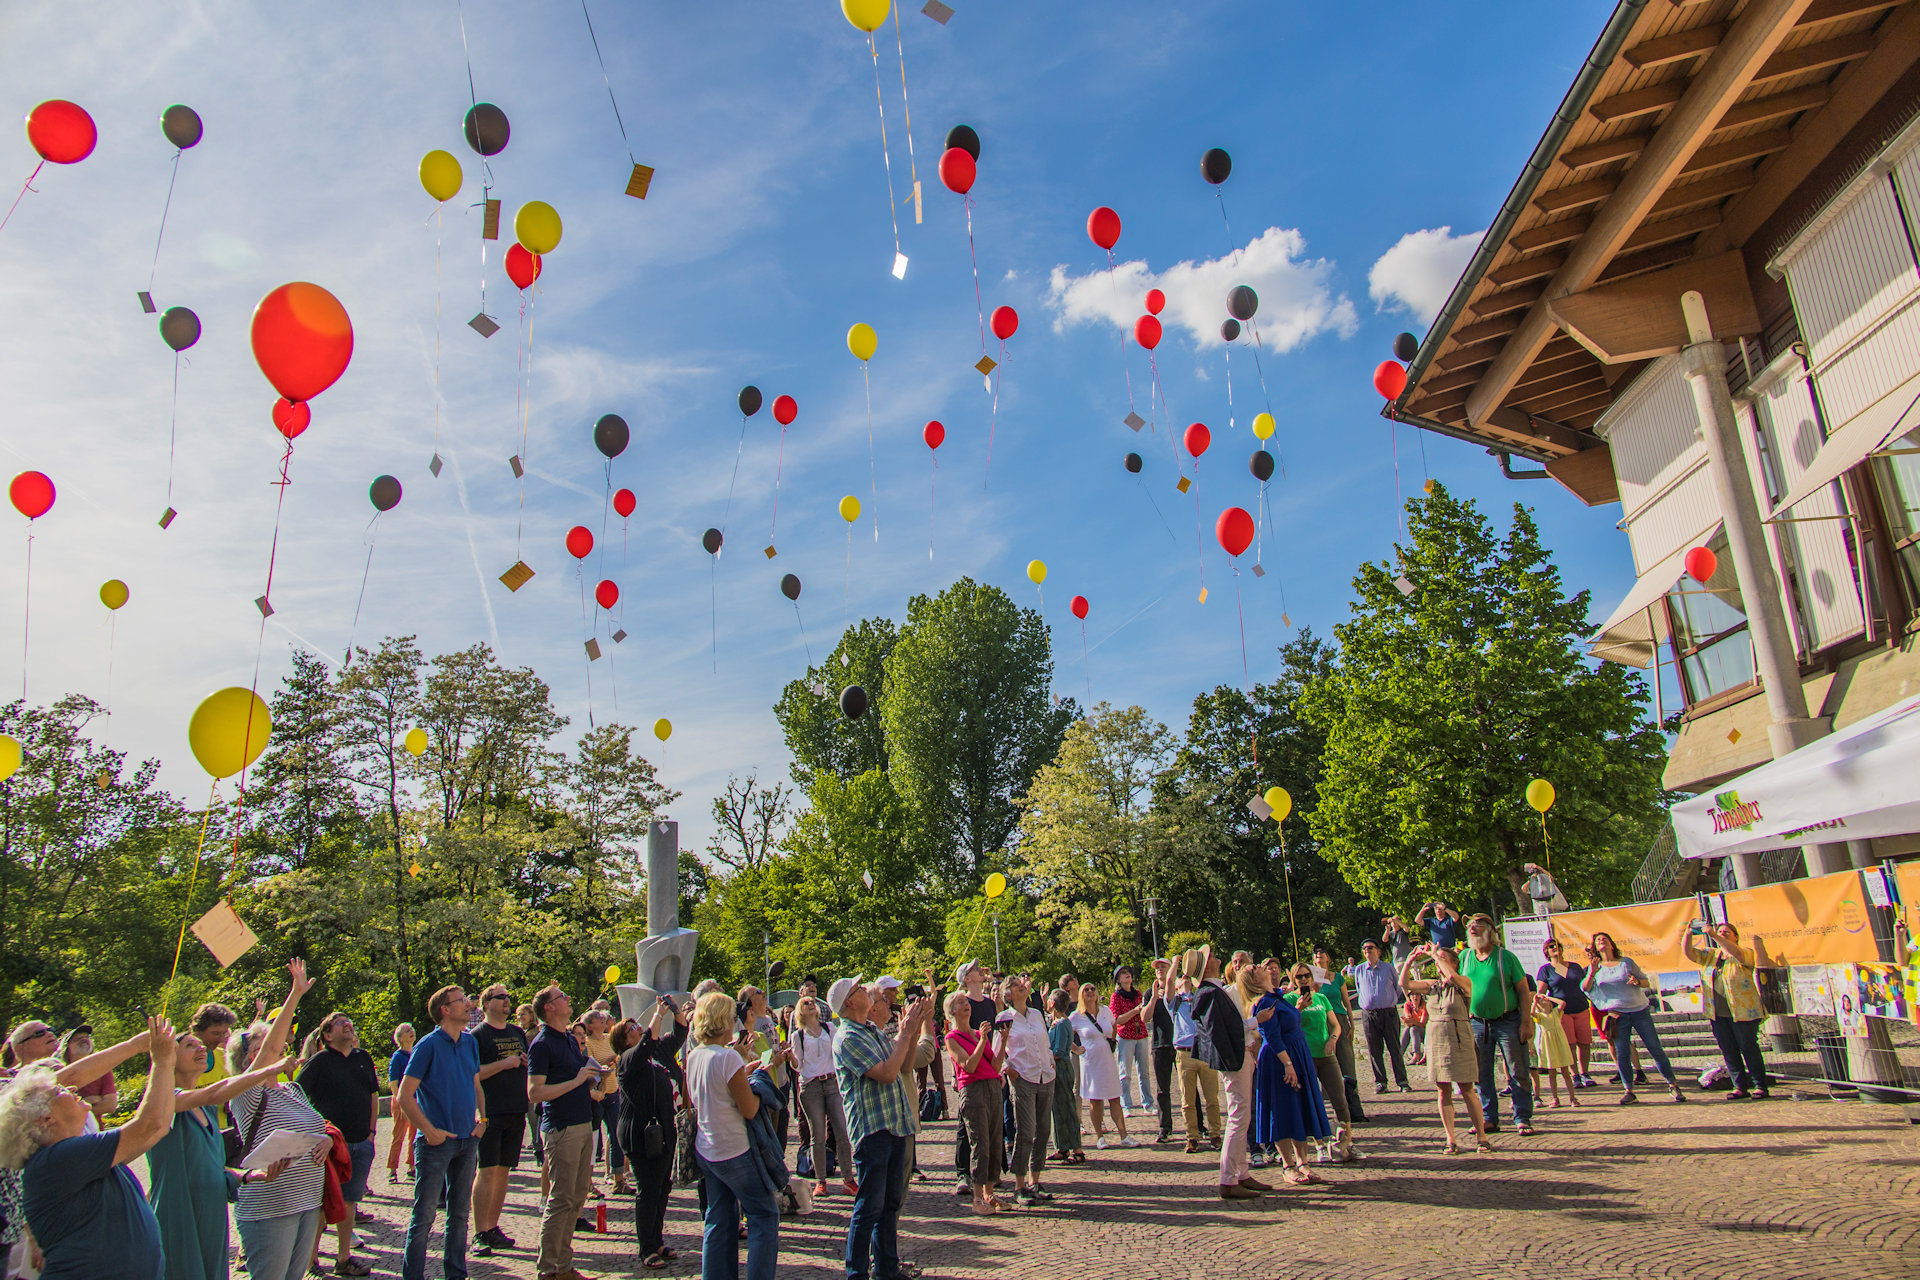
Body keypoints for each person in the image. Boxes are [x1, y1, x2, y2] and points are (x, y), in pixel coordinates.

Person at [0, 1016, 177, 1280]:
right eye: (59, 1092)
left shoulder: (70, 1151)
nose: (71, 1088)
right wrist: (162, 1060)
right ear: (46, 1118)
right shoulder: (58, 1158)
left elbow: (159, 1126)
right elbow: (149, 1126)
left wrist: (156, 1055)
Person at [150, 1024, 299, 1280]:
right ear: (168, 1058)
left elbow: (214, 1168)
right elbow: (216, 1091)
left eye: (201, 1045)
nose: (201, 1047)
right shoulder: (163, 1100)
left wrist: (250, 1176)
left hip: (212, 1217)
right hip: (179, 1216)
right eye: (189, 1045)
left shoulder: (207, 1110)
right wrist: (271, 1068)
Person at [230, 961, 332, 1280]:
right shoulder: (244, 1092)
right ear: (246, 1061)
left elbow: (317, 1127)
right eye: (259, 1052)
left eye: (271, 1049)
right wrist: (295, 994)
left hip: (306, 1201)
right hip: (269, 1206)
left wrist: (326, 1140)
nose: (271, 1053)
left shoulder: (292, 1088)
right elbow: (272, 1046)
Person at [831, 976, 933, 1280]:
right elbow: (888, 1073)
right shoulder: (847, 1038)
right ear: (850, 1002)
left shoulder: (870, 1029)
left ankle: (887, 1269)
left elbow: (902, 1064)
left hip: (894, 1125)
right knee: (869, 1207)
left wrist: (913, 1029)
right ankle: (856, 1273)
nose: (867, 992)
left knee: (889, 1204)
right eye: (859, 989)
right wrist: (906, 1031)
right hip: (872, 1131)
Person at [395, 984, 487, 1280]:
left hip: (467, 1140)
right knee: (424, 1217)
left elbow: (476, 1085)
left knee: (459, 1216)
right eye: (461, 1001)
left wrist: (483, 1119)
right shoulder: (428, 1045)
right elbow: (404, 1096)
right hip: (435, 1144)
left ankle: (456, 1275)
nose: (468, 1004)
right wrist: (429, 1130)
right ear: (445, 1010)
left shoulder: (470, 1042)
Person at [685, 991, 777, 1280]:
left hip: (708, 1148)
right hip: (734, 1148)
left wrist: (741, 1071)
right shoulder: (727, 1058)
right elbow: (748, 1108)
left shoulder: (693, 1056)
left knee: (718, 1218)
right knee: (764, 1215)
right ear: (724, 1020)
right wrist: (758, 1082)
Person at [294, 1011, 381, 1277]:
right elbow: (297, 1095)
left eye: (349, 1022)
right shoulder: (319, 1062)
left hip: (361, 1143)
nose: (348, 1025)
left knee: (349, 1202)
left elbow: (373, 1095)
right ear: (327, 1035)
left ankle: (344, 1259)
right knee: (322, 1205)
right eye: (340, 1023)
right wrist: (316, 1133)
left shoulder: (363, 1058)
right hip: (328, 1147)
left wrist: (371, 1133)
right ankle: (310, 1262)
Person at [525, 985, 599, 1280]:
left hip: (582, 1122)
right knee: (560, 1198)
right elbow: (534, 1092)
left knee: (578, 1197)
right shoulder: (542, 1044)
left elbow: (577, 1075)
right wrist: (577, 1080)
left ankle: (565, 1265)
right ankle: (548, 1269)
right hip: (562, 1127)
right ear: (549, 1008)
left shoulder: (569, 1039)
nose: (568, 999)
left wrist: (592, 1076)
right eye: (562, 997)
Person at [1400, 944, 1492, 1153]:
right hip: (1437, 1036)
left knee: (1467, 1088)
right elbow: (1403, 983)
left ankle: (1481, 1136)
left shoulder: (1463, 983)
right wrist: (1409, 961)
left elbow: (1451, 977)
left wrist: (1434, 954)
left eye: (1442, 958)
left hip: (1458, 1034)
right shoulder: (1432, 985)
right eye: (1437, 959)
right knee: (1443, 1090)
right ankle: (1450, 1138)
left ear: (1454, 963)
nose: (1437, 961)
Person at [1192, 948, 1265, 1200]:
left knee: (1241, 1117)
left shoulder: (1213, 990)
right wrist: (1256, 1022)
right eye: (1211, 956)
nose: (1216, 957)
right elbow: (1218, 1031)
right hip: (1234, 1059)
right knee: (1238, 1117)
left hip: (1237, 1056)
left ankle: (1240, 1173)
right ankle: (1228, 1178)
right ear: (1206, 967)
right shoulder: (1210, 993)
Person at [1583, 933, 1685, 1105]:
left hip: (1640, 1011)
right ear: (1595, 947)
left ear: (1611, 944)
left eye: (1604, 938)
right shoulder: (1594, 967)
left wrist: (1637, 981)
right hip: (1617, 1015)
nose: (1601, 941)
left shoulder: (1626, 962)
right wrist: (1592, 972)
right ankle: (1628, 1090)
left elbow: (1646, 982)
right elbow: (1585, 988)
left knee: (1655, 1048)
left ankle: (1672, 1084)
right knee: (1622, 1053)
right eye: (1598, 940)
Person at [1250, 961, 1325, 1183]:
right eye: (1259, 968)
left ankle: (1303, 1162)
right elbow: (1271, 1036)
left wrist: (1298, 1008)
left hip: (1297, 1052)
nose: (1265, 968)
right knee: (1283, 1109)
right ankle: (1288, 1164)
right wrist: (1288, 1064)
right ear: (1256, 980)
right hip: (1280, 1059)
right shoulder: (1264, 1002)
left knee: (1300, 1108)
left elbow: (1289, 1022)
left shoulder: (1279, 996)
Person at [615, 1006, 678, 1271]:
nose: (638, 1029)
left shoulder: (652, 1058)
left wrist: (677, 1014)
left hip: (661, 1132)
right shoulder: (628, 1059)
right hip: (639, 1135)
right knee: (648, 1190)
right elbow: (646, 1043)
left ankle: (658, 1239)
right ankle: (647, 1248)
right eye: (632, 1029)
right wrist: (659, 1015)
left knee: (662, 1187)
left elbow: (676, 1037)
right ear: (624, 1040)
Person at [1459, 914, 1534, 1136]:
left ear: (1490, 930)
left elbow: (1523, 991)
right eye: (1470, 926)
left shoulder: (1505, 957)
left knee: (1517, 1070)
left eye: (1478, 925)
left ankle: (1522, 1117)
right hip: (1477, 1023)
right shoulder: (1465, 957)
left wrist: (1526, 1022)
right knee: (1481, 1074)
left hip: (1508, 1021)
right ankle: (1488, 1118)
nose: (1473, 928)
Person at [469, 984, 529, 1256]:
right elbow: (472, 1074)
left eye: (508, 996)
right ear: (486, 1003)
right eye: (501, 997)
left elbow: (526, 1062)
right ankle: (479, 1232)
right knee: (488, 1170)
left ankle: (493, 1227)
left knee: (504, 1170)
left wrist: (526, 1063)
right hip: (490, 1111)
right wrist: (505, 1064)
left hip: (516, 1109)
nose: (507, 1000)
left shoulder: (518, 1033)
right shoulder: (477, 1036)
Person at [1679, 920, 1769, 1100]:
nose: (1722, 933)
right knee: (1728, 1049)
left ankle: (1760, 1085)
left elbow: (1736, 953)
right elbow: (1689, 953)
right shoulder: (1712, 955)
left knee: (1748, 1047)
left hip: (1743, 1012)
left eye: (1727, 932)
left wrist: (1714, 935)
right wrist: (1688, 934)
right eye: (1720, 931)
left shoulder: (1744, 953)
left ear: (1736, 936)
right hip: (1718, 1013)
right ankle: (1739, 1086)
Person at [942, 991, 1006, 1214]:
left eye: (966, 1001)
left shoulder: (979, 1033)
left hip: (992, 1086)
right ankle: (978, 1197)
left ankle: (990, 1192)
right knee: (981, 1143)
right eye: (960, 1002)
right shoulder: (951, 1038)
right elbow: (968, 1065)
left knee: (996, 1141)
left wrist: (1003, 1039)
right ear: (952, 1012)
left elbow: (995, 1066)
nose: (966, 1005)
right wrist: (981, 1042)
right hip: (973, 1090)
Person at [1284, 962, 1354, 1163]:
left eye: (1306, 975)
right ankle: (1319, 1144)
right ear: (1293, 979)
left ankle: (1347, 1141)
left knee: (1339, 1099)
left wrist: (1333, 1039)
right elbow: (1288, 1026)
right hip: (1304, 1056)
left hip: (1326, 1054)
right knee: (1312, 1100)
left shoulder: (1321, 998)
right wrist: (1298, 1008)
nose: (1304, 979)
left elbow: (1335, 1024)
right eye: (1299, 977)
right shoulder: (1289, 1000)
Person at [994, 975, 1054, 1204]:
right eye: (1015, 985)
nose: (1021, 985)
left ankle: (1034, 1180)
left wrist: (1050, 1061)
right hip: (1023, 1078)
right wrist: (1009, 1070)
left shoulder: (1037, 1014)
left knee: (1044, 1130)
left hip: (1045, 1076)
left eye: (1021, 983)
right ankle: (1019, 1185)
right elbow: (997, 1049)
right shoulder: (1004, 1018)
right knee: (1026, 1131)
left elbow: (1045, 1042)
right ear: (1007, 994)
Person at [791, 995, 855, 1200]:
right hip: (811, 1086)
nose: (811, 1005)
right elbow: (798, 1065)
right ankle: (821, 1181)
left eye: (812, 1002)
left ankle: (848, 1178)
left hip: (832, 1082)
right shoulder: (798, 1035)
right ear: (800, 1011)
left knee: (841, 1130)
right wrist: (789, 1057)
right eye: (806, 1003)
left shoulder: (829, 1028)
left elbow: (839, 1051)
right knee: (817, 1135)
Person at [945, 961, 998, 1198]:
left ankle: (990, 1187)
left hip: (989, 1076)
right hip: (971, 1080)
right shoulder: (954, 1029)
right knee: (971, 1133)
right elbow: (966, 1061)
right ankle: (964, 1175)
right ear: (966, 978)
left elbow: (992, 1047)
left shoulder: (987, 1003)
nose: (981, 971)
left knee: (992, 1137)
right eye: (975, 969)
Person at [1170, 955, 1220, 1153]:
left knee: (1212, 1098)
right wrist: (1175, 965)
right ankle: (1192, 1136)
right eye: (1181, 979)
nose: (1185, 980)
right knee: (1187, 1100)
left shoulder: (1200, 996)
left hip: (1204, 1051)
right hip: (1184, 1053)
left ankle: (1215, 1134)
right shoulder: (1173, 1002)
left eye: (1188, 978)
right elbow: (1168, 982)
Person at [1067, 984, 1127, 1147]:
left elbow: (1113, 1025)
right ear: (1081, 995)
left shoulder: (1105, 1011)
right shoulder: (1076, 1016)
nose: (1090, 992)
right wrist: (1076, 1049)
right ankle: (1100, 1137)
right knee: (1096, 1099)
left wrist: (1112, 1041)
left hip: (1107, 1058)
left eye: (1092, 989)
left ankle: (1124, 1135)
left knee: (1115, 1097)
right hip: (1090, 1061)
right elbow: (1065, 1033)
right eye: (1086, 990)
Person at [1351, 939, 1411, 1093]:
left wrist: (1388, 1000)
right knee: (1374, 1050)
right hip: (1369, 1014)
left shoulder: (1388, 968)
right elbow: (1359, 988)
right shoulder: (1359, 970)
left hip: (1388, 1012)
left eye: (1370, 948)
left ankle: (1402, 1081)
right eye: (1364, 948)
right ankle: (1381, 1082)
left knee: (1394, 1048)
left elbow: (1398, 988)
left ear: (1378, 950)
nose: (1367, 951)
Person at [1537, 938, 1596, 1087]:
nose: (1554, 948)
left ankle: (1585, 1073)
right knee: (1570, 1044)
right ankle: (1575, 1075)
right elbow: (1540, 994)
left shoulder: (1575, 967)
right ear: (1546, 952)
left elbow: (1585, 984)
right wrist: (1552, 1005)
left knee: (1585, 1043)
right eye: (1551, 947)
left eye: (1557, 945)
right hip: (1563, 1012)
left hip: (1581, 1007)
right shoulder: (1546, 970)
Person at [581, 1008, 625, 1196]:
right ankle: (588, 1183)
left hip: (613, 1091)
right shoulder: (587, 1042)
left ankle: (619, 1180)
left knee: (617, 1135)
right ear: (591, 1026)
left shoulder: (608, 1039)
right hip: (596, 1094)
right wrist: (608, 1061)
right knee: (592, 1138)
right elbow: (592, 1064)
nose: (603, 1020)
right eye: (599, 1018)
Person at [1044, 990, 1085, 1166]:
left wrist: (1044, 1056)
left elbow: (1060, 1051)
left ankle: (1077, 1150)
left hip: (1061, 1069)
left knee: (1067, 1108)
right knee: (1056, 1110)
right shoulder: (1055, 1023)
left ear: (1053, 1004)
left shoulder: (1062, 1024)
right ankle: (1062, 1147)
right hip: (1055, 1069)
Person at [1106, 966, 1151, 1116]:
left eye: (1128, 973)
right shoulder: (1116, 997)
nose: (1127, 976)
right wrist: (1135, 1011)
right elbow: (1117, 1019)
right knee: (1125, 1073)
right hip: (1125, 1036)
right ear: (1118, 979)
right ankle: (1126, 1105)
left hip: (1141, 1035)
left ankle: (1148, 1103)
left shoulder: (1138, 994)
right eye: (1123, 974)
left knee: (1144, 1072)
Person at [1529, 984, 1579, 1109]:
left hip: (1560, 1043)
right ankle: (1555, 1098)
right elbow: (1531, 1012)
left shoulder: (1556, 1013)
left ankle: (1572, 1097)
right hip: (1548, 1045)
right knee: (1552, 1073)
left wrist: (1549, 998)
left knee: (1565, 1072)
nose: (1544, 1002)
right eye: (1543, 1002)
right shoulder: (1540, 1017)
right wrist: (1535, 1001)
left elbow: (1562, 1003)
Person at [55, 1030, 115, 1129]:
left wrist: (75, 1106)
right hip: (66, 1133)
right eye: (78, 1039)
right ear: (67, 1048)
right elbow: (57, 1111)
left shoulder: (103, 1070)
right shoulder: (60, 1073)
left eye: (87, 1037)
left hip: (94, 1132)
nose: (84, 1040)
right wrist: (88, 1102)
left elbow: (110, 1105)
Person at [1145, 959, 1177, 1143]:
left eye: (1162, 967)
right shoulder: (1151, 992)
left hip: (1179, 1043)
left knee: (1189, 1088)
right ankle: (1165, 1127)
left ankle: (1198, 1125)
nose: (1159, 970)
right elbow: (1145, 1018)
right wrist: (1154, 997)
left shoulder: (1178, 988)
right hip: (1160, 1044)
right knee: (1162, 1089)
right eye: (1156, 968)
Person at [385, 1023, 417, 1185]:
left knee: (414, 1135)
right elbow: (393, 1082)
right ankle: (392, 1169)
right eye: (407, 1031)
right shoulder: (398, 1057)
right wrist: (400, 1100)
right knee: (399, 1135)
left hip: (416, 1100)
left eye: (411, 1030)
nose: (411, 1032)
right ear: (399, 1038)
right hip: (401, 1101)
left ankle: (412, 1167)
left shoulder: (416, 1053)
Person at [1402, 990, 1428, 1067]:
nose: (1415, 997)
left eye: (1417, 994)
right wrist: (1408, 1021)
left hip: (1425, 1032)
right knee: (1407, 1029)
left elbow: (1423, 1024)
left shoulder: (1424, 1006)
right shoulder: (1408, 1005)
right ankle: (1399, 1053)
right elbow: (1408, 1020)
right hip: (1415, 1028)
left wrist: (1412, 1021)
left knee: (1414, 1029)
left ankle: (1416, 1054)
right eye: (1412, 995)